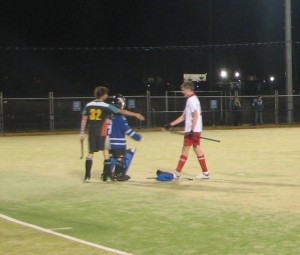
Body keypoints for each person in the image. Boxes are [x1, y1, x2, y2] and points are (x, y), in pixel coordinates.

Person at [80, 86, 144, 182]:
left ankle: (87, 176)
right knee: (107, 154)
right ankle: (110, 175)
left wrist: (81, 133)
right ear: (103, 95)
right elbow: (121, 112)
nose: (107, 95)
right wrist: (135, 114)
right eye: (106, 94)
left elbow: (84, 119)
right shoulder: (106, 106)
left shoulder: (89, 105)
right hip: (103, 133)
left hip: (92, 132)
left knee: (91, 153)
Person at [164, 81, 209, 179]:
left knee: (185, 148)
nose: (182, 92)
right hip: (196, 129)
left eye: (183, 90)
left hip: (192, 130)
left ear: (188, 89)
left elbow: (195, 115)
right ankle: (205, 173)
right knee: (196, 148)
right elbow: (184, 116)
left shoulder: (191, 100)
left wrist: (192, 131)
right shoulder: (193, 99)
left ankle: (177, 172)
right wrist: (170, 124)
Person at [109, 94, 142, 181]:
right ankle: (119, 174)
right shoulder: (120, 117)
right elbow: (126, 130)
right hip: (119, 143)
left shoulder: (109, 116)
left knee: (112, 157)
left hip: (108, 142)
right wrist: (137, 137)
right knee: (121, 157)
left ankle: (108, 173)